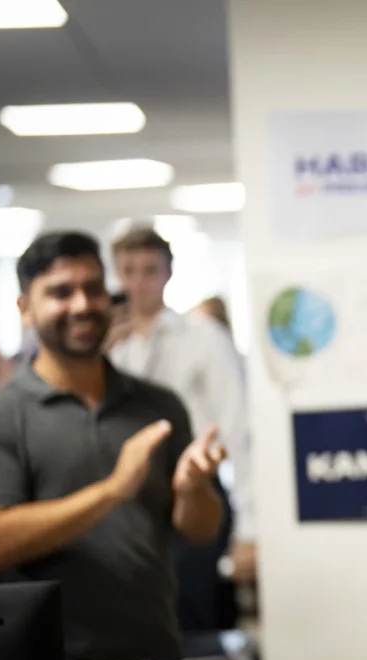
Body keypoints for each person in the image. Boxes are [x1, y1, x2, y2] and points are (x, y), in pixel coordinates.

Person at [0, 231, 226, 660]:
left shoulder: (157, 405)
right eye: (60, 292)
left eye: (93, 288)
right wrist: (110, 491)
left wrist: (194, 490)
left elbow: (199, 531)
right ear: (25, 307)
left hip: (153, 655)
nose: (82, 304)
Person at [108, 228, 257, 631]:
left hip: (195, 494)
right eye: (128, 271)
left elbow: (239, 429)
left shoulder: (203, 338)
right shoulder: (107, 349)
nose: (139, 282)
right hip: (127, 505)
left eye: (149, 270)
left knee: (193, 621)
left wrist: (249, 528)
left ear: (167, 274)